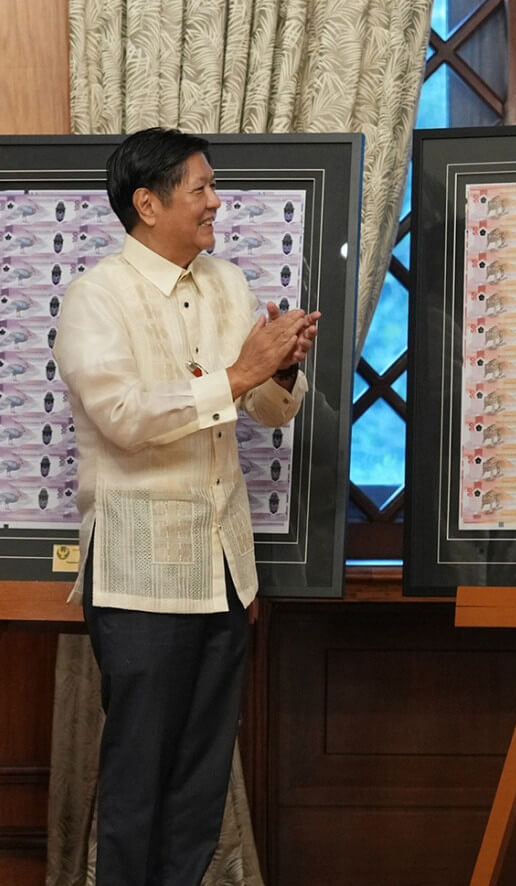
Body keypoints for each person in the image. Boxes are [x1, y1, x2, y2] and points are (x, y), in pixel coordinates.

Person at [54, 127, 321, 886]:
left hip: (224, 572)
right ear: (147, 203)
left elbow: (268, 412)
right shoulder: (96, 296)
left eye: (212, 186)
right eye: (200, 188)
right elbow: (127, 419)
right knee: (139, 779)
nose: (216, 201)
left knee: (200, 784)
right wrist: (241, 371)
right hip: (141, 575)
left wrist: (282, 367)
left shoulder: (228, 282)